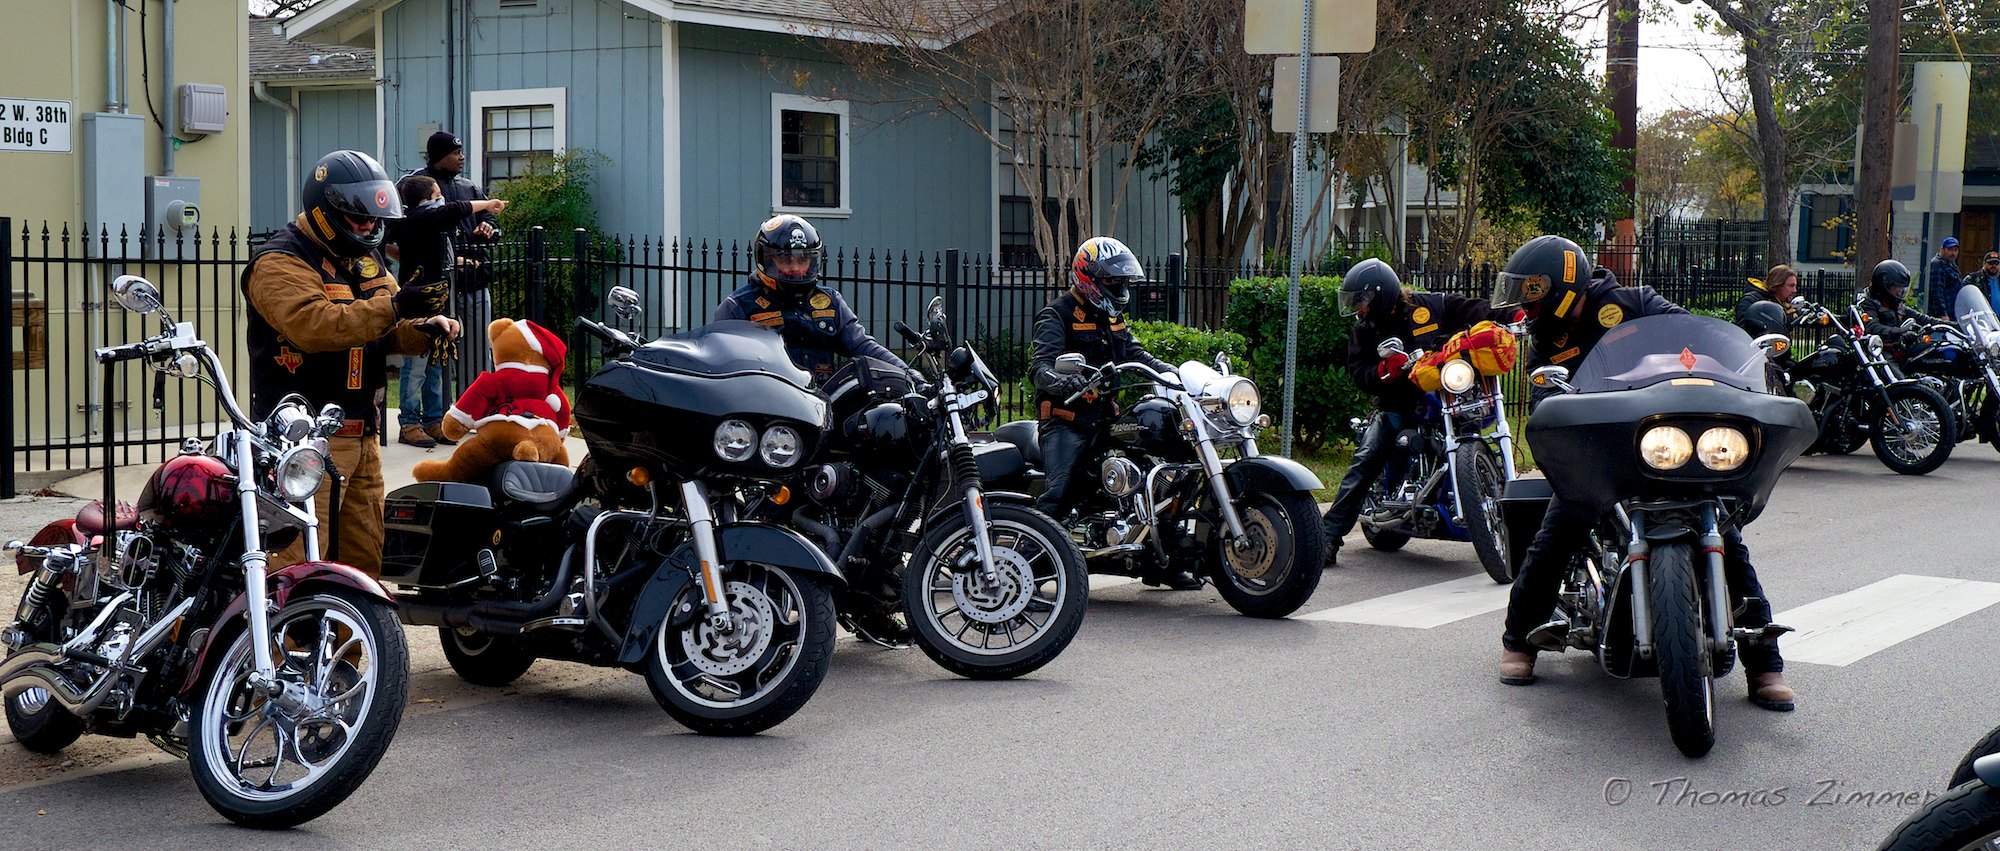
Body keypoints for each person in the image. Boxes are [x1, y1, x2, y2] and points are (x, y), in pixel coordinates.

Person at [1488, 234, 1794, 712]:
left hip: (1664, 443)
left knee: (1727, 540)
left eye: (1533, 292)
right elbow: (1543, 399)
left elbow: (1699, 336)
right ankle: (1519, 641)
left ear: (1562, 283)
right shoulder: (1549, 338)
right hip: (1605, 456)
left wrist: (1736, 363)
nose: (1528, 305)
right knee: (1557, 533)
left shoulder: (1636, 302)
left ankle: (1765, 665)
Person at [241, 150, 461, 576]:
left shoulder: (365, 259)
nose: (367, 227)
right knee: (297, 566)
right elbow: (315, 325)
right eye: (357, 218)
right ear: (323, 212)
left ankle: (353, 625)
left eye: (373, 219)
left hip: (363, 436)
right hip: (301, 446)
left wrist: (427, 328)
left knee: (363, 566)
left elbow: (390, 327)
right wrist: (396, 308)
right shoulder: (280, 260)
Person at [1320, 258, 1517, 567]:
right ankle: (1327, 538)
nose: (1359, 308)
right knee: (1366, 459)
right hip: (1399, 404)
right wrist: (1385, 370)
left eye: (1362, 300)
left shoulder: (1432, 306)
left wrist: (1515, 316)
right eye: (1356, 302)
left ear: (1381, 294)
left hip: (1448, 395)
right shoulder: (1364, 330)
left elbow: (1479, 310)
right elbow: (1360, 372)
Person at [1028, 236, 1196, 590]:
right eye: (1112, 281)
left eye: (1122, 281)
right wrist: (1065, 380)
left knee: (1162, 477)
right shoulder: (1057, 314)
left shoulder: (1112, 316)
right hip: (1066, 421)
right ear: (1088, 277)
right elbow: (1040, 368)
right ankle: (1029, 566)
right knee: (1059, 493)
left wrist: (1172, 373)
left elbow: (1136, 354)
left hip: (1105, 418)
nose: (1119, 288)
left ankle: (1161, 561)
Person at [712, 214, 911, 385]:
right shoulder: (738, 306)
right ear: (767, 260)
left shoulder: (831, 301)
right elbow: (720, 367)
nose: (795, 268)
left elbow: (862, 346)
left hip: (825, 403)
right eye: (785, 259)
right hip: (768, 407)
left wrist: (908, 374)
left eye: (803, 259)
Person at [387, 175, 508, 448]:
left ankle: (434, 420)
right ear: (426, 200)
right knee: (415, 367)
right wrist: (488, 203)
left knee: (436, 365)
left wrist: (460, 259)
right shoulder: (417, 218)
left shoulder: (429, 223)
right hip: (419, 304)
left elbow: (431, 253)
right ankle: (409, 423)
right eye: (437, 195)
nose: (442, 199)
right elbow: (455, 209)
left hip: (440, 303)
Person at [414, 131, 501, 378]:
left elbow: (492, 220)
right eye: (455, 153)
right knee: (431, 355)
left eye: (461, 152)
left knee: (477, 353)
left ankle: (472, 398)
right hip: (435, 285)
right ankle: (435, 403)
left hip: (474, 282)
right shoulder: (419, 185)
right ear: (439, 156)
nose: (462, 157)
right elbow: (406, 229)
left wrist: (488, 227)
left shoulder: (468, 187)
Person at [1859, 259, 1948, 349]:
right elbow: (1873, 327)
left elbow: (1921, 319)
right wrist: (1900, 332)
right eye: (1897, 287)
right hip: (1878, 350)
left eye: (1902, 288)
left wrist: (1949, 325)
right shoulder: (1867, 303)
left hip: (1898, 348)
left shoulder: (1895, 305)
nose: (1900, 291)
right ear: (1884, 285)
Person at [1733, 263, 1798, 335]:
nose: (1795, 290)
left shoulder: (1784, 305)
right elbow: (1743, 331)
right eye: (1791, 286)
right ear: (1777, 284)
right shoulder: (1750, 300)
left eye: (1795, 286)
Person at [1927, 237, 1963, 317]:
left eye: (1956, 250)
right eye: (1950, 249)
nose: (1953, 253)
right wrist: (1942, 314)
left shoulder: (1952, 264)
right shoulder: (1937, 265)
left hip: (1954, 312)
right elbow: (1937, 292)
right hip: (1942, 315)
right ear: (1942, 249)